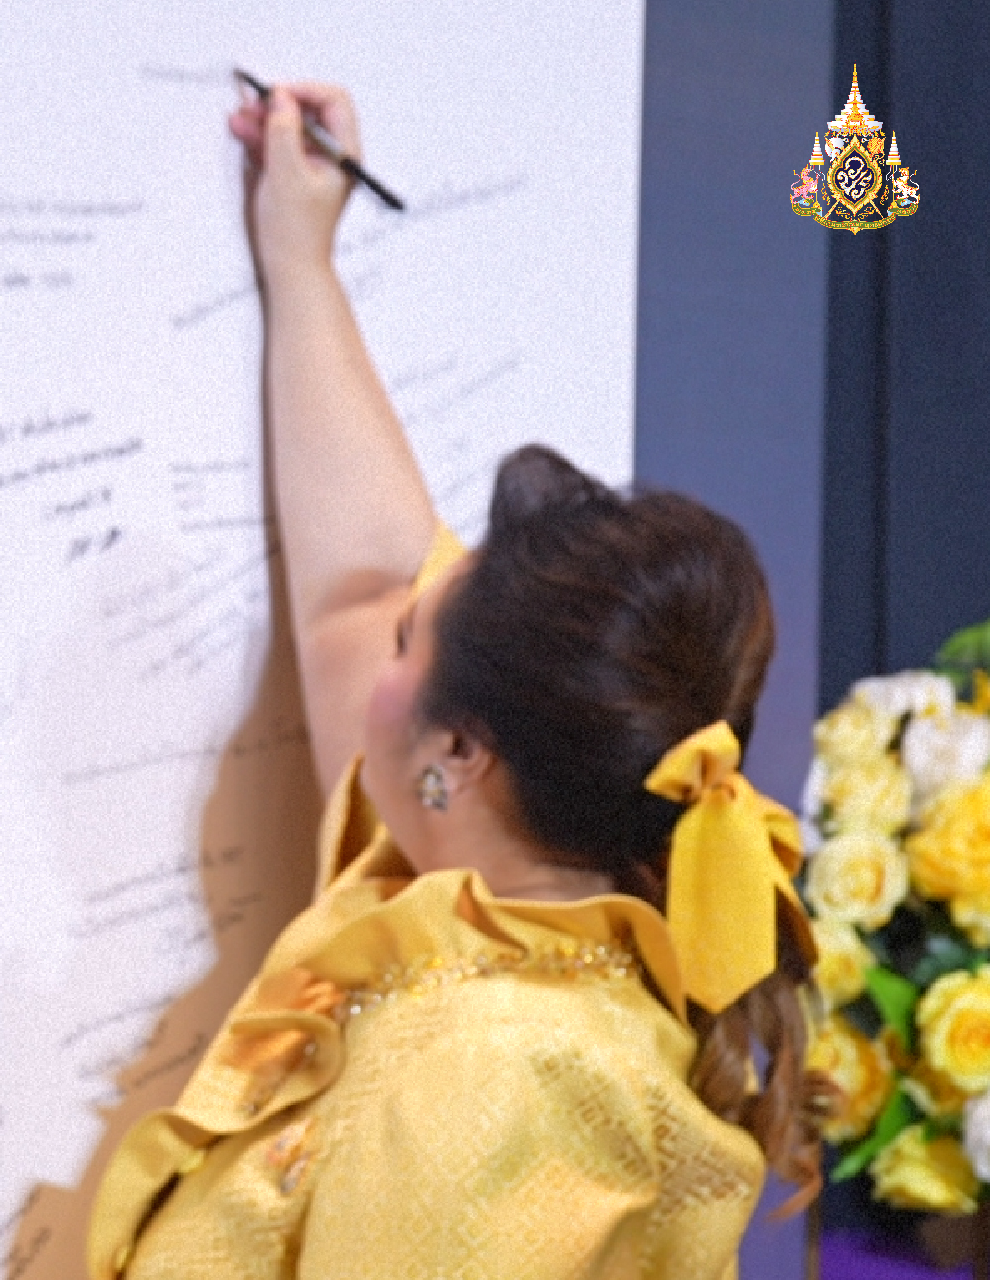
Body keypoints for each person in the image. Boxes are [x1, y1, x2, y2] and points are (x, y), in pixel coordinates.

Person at [85, 82, 825, 1279]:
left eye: (403, 642)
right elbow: (357, 584)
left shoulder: (484, 1078)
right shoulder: (530, 907)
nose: (381, 631)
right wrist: (302, 259)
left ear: (462, 751)